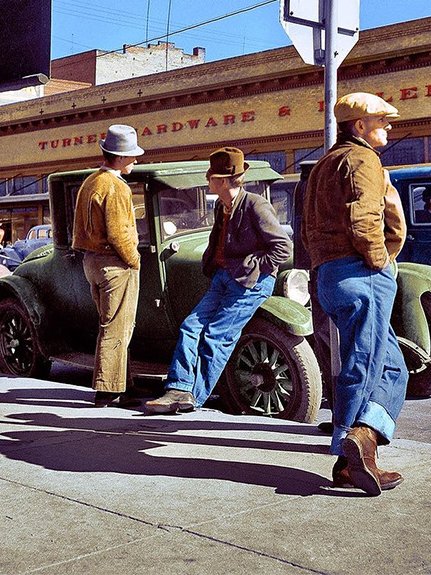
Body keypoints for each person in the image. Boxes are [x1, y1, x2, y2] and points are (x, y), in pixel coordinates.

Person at [301, 93, 408, 496]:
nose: (389, 126)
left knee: (392, 365)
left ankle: (357, 451)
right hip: (360, 270)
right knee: (363, 361)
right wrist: (380, 260)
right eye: (382, 120)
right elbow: (367, 217)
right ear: (359, 126)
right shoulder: (364, 160)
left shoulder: (324, 164)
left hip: (330, 272)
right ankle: (353, 443)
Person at [143, 146, 292, 413]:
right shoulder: (222, 208)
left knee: (216, 336)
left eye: (210, 176)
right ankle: (178, 388)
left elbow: (283, 247)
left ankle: (193, 399)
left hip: (250, 283)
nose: (207, 180)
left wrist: (255, 268)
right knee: (190, 327)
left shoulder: (255, 205)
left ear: (223, 180)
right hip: (224, 278)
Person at [71, 123, 144, 406]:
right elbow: (119, 233)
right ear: (121, 157)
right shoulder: (116, 187)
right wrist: (134, 261)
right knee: (118, 327)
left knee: (112, 324)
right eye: (133, 156)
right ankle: (108, 390)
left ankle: (123, 385)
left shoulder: (91, 182)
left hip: (92, 262)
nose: (136, 161)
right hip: (114, 265)